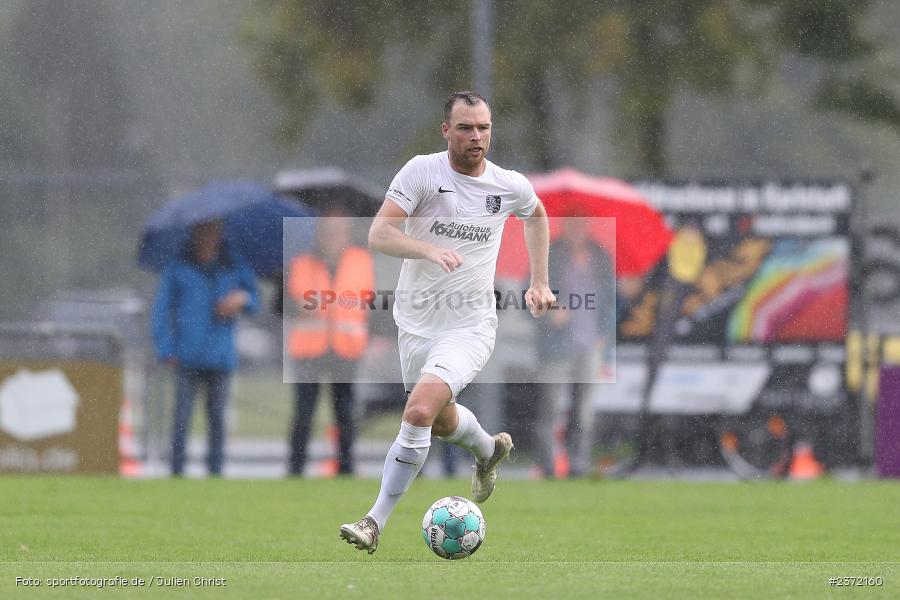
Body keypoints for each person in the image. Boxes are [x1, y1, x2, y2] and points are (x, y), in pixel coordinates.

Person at [339, 91, 556, 554]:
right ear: (446, 131)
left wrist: (540, 281)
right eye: (465, 127)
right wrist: (429, 249)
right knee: (438, 421)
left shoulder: (507, 185)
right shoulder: (422, 172)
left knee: (417, 412)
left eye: (483, 127)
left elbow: (535, 214)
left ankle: (374, 521)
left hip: (470, 327)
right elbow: (379, 233)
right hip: (415, 324)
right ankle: (487, 449)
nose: (476, 136)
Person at [151, 219, 259, 477]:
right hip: (185, 356)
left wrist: (240, 300)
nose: (208, 236)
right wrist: (166, 349)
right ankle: (176, 471)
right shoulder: (178, 268)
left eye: (213, 231)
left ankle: (215, 472)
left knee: (217, 420)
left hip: (220, 356)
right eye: (203, 231)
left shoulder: (233, 266)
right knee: (181, 419)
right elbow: (160, 312)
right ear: (194, 233)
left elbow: (254, 299)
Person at [286, 213, 374, 476]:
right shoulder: (303, 264)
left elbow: (363, 297)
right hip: (309, 348)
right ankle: (295, 468)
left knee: (345, 413)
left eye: (337, 231)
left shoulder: (360, 261)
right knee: (304, 412)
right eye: (327, 231)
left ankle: (346, 467)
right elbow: (297, 297)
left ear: (346, 234)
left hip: (345, 348)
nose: (331, 237)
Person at [535, 218, 615, 478]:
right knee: (551, 408)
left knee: (584, 410)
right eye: (572, 224)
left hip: (590, 344)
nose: (577, 230)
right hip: (556, 345)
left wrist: (605, 332)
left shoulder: (600, 257)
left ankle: (578, 465)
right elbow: (530, 297)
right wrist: (550, 311)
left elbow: (611, 301)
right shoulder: (547, 256)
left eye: (582, 224)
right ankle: (548, 466)